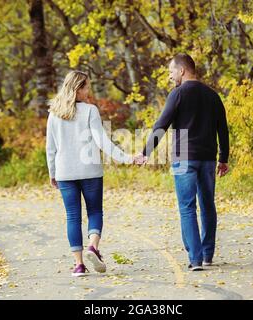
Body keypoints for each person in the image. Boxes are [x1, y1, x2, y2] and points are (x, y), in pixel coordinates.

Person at [134, 53, 230, 271]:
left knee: (187, 207)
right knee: (207, 205)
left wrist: (146, 152)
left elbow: (162, 124)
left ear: (182, 70)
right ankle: (207, 255)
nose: (170, 76)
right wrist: (223, 158)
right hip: (207, 158)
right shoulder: (213, 96)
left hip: (184, 157)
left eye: (171, 71)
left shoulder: (177, 94)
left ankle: (195, 260)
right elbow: (222, 130)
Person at [46, 71, 133, 277]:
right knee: (94, 212)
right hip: (90, 170)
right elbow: (102, 142)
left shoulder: (54, 113)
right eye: (86, 87)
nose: (89, 91)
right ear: (77, 89)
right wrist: (127, 158)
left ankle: (78, 265)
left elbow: (51, 148)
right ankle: (93, 247)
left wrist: (52, 173)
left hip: (64, 172)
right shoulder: (90, 111)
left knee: (72, 216)